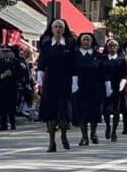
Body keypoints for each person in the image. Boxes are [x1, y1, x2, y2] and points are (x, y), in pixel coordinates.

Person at [37, 19, 77, 152]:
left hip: (66, 81)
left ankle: (64, 136)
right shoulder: (47, 45)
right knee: (51, 112)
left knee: (64, 111)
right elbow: (42, 62)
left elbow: (74, 63)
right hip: (51, 81)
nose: (58, 29)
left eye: (61, 27)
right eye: (56, 27)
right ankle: (52, 142)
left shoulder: (70, 44)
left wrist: (75, 80)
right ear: (52, 29)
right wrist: (39, 76)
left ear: (64, 29)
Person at [71, 32, 104, 146]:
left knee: (94, 112)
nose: (86, 42)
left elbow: (103, 72)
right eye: (84, 39)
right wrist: (73, 84)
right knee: (81, 112)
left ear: (92, 42)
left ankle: (93, 134)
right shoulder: (74, 55)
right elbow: (71, 70)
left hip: (95, 88)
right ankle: (84, 136)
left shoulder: (98, 56)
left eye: (88, 40)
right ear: (80, 41)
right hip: (79, 87)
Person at [0, 45, 23, 131]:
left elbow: (21, 74)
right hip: (2, 88)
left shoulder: (16, 62)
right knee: (2, 107)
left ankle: (12, 123)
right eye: (4, 52)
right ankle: (3, 124)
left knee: (12, 106)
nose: (6, 54)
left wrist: (12, 74)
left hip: (13, 87)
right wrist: (2, 75)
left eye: (7, 51)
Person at [103, 38, 127, 141]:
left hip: (118, 88)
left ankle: (114, 131)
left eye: (114, 46)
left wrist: (123, 81)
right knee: (106, 110)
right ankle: (108, 126)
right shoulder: (103, 59)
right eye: (110, 46)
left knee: (116, 110)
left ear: (117, 48)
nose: (112, 48)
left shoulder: (122, 60)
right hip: (105, 87)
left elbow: (125, 73)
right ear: (107, 48)